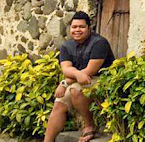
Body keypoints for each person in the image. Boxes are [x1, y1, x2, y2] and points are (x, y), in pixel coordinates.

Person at [44, 11, 115, 142]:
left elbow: (89, 71)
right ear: (70, 29)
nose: (77, 30)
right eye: (74, 27)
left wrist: (66, 82)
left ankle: (89, 125)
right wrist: (69, 79)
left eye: (81, 27)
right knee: (59, 104)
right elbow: (67, 69)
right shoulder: (66, 46)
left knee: (75, 89)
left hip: (101, 80)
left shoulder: (99, 43)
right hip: (78, 79)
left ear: (89, 28)